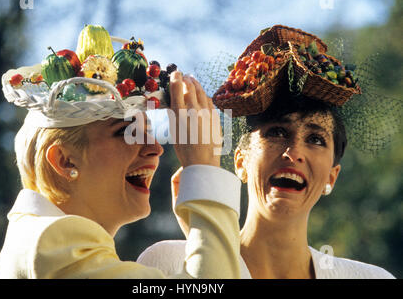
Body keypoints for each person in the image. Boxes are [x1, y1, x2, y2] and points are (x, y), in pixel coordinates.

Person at [0, 71, 242, 279]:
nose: (156, 149)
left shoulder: (39, 243)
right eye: (127, 132)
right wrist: (204, 172)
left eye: (148, 131)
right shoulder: (51, 242)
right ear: (64, 160)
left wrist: (204, 229)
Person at [137, 92, 396, 279]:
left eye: (316, 139)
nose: (294, 153)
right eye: (277, 132)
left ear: (331, 177)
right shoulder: (167, 262)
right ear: (240, 161)